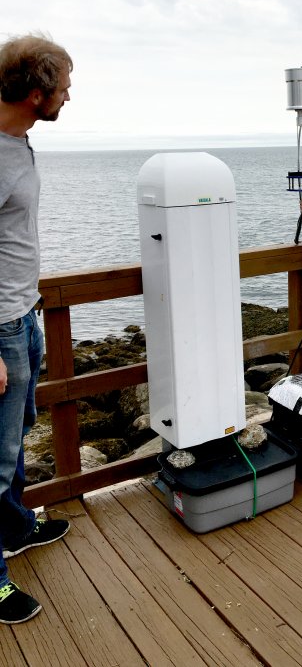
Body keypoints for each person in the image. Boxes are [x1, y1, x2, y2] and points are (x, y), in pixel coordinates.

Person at [0, 35, 73, 624]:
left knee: (16, 441)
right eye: (64, 89)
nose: (69, 98)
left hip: (23, 314)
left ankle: (17, 528)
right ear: (34, 93)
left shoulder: (20, 142)